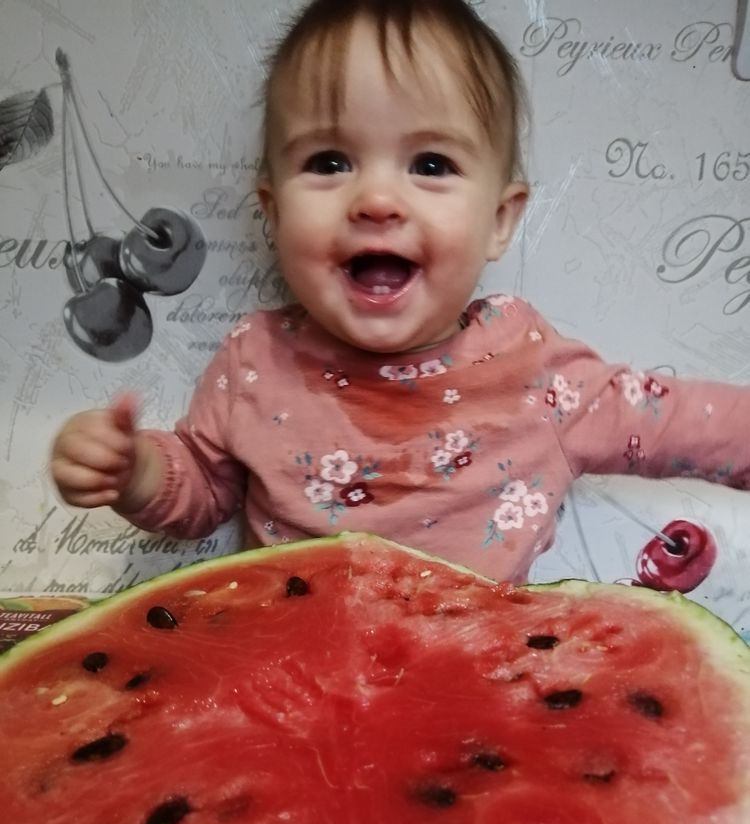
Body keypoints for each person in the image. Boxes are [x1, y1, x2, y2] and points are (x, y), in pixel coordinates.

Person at [49, 0, 750, 584]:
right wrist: (138, 473)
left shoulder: (534, 371)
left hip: (471, 678)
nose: (377, 199)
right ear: (275, 209)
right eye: (330, 161)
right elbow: (203, 490)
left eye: (431, 164)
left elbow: (678, 421)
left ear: (499, 220)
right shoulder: (255, 359)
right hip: (293, 671)